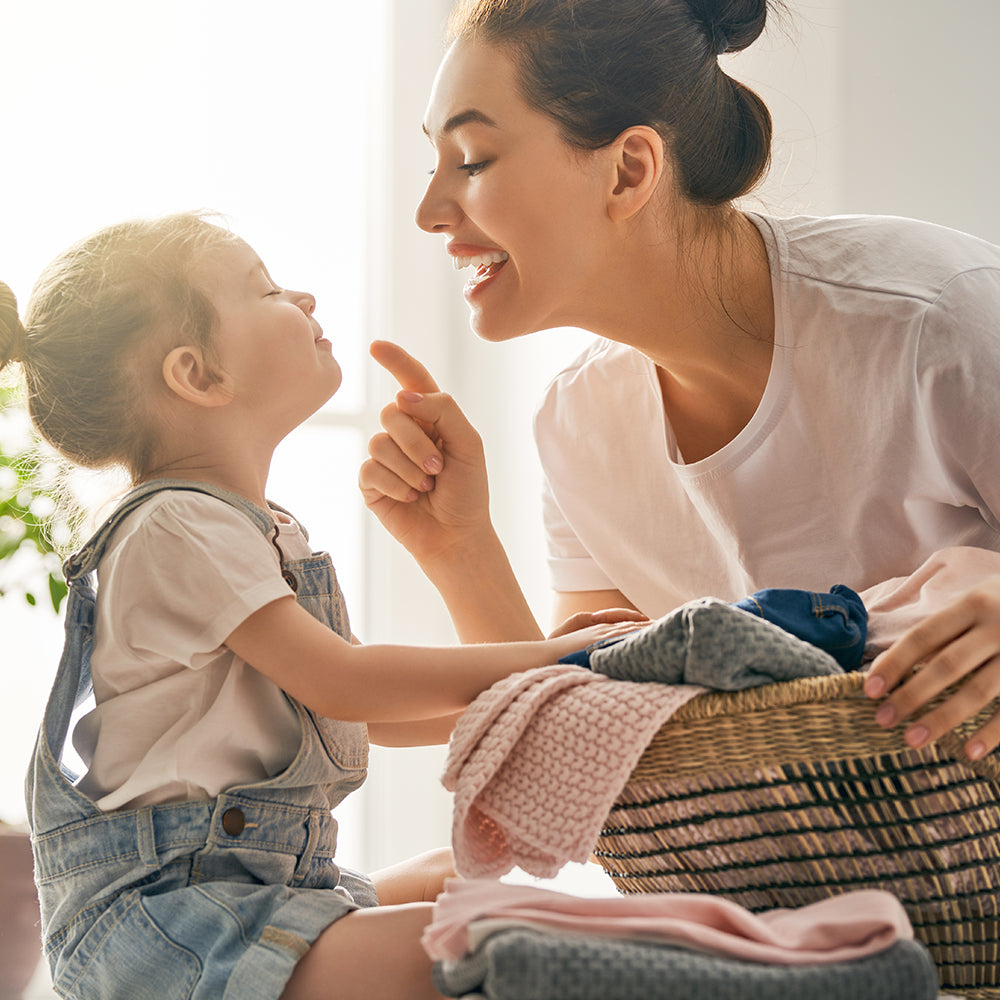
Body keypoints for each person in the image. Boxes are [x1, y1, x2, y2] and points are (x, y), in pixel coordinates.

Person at [0, 213, 640, 1000]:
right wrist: (553, 658)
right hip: (162, 925)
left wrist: (534, 693)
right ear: (197, 376)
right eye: (266, 289)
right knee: (489, 936)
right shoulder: (174, 523)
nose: (301, 295)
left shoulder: (259, 529)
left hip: (251, 886)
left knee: (456, 883)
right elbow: (346, 682)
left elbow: (355, 718)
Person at [359, 0, 1000, 763]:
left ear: (629, 171)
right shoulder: (577, 424)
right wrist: (459, 548)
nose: (430, 212)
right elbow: (590, 755)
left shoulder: (935, 319)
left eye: (470, 159)